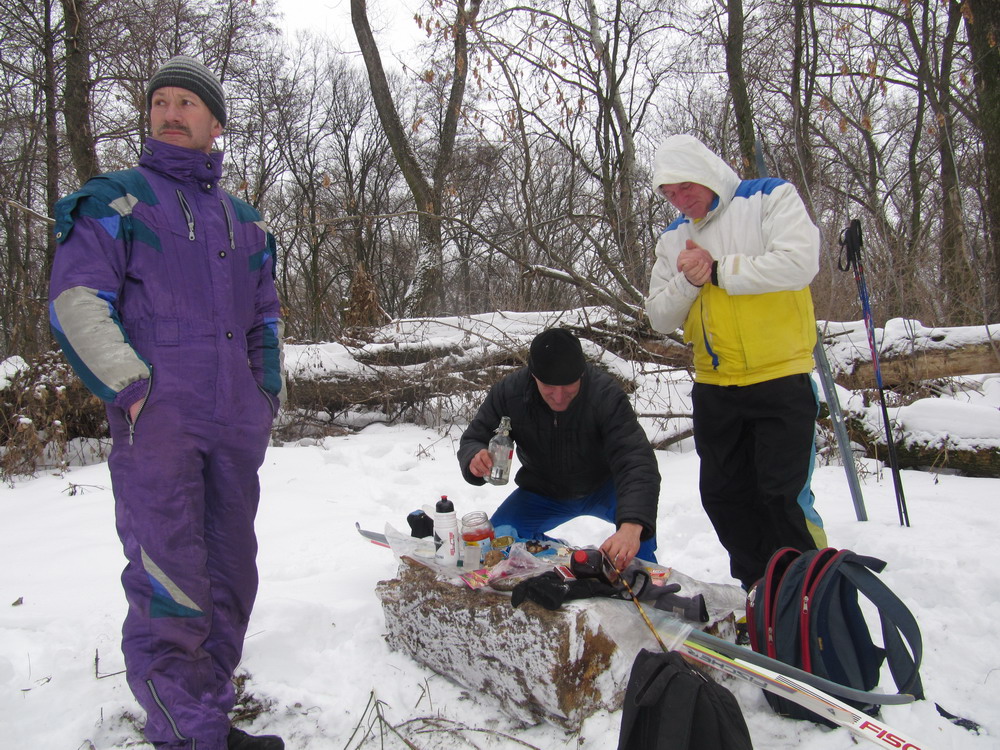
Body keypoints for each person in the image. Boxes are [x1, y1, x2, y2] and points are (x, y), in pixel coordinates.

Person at [49, 56, 286, 750]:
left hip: (234, 422)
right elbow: (77, 301)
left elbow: (265, 319)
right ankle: (187, 734)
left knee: (230, 573)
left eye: (187, 103)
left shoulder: (246, 223)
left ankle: (209, 713)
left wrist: (264, 395)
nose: (171, 113)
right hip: (159, 423)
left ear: (216, 124)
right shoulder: (116, 201)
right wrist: (133, 390)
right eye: (161, 102)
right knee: (170, 581)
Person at [645, 134, 827, 590]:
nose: (680, 200)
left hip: (780, 375)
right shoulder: (673, 237)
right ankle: (760, 594)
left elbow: (800, 263)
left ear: (706, 173)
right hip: (714, 385)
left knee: (783, 500)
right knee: (725, 498)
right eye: (669, 193)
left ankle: (810, 602)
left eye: (686, 187)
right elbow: (659, 317)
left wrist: (719, 270)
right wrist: (690, 281)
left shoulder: (768, 197)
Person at [458, 328, 660, 567]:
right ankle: (561, 555)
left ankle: (649, 580)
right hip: (543, 490)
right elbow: (474, 437)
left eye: (568, 386)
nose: (559, 396)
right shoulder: (510, 392)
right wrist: (474, 456)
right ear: (533, 376)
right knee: (500, 541)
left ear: (581, 374)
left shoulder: (605, 394)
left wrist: (632, 526)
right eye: (549, 387)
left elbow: (636, 459)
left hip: (604, 486)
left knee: (637, 534)